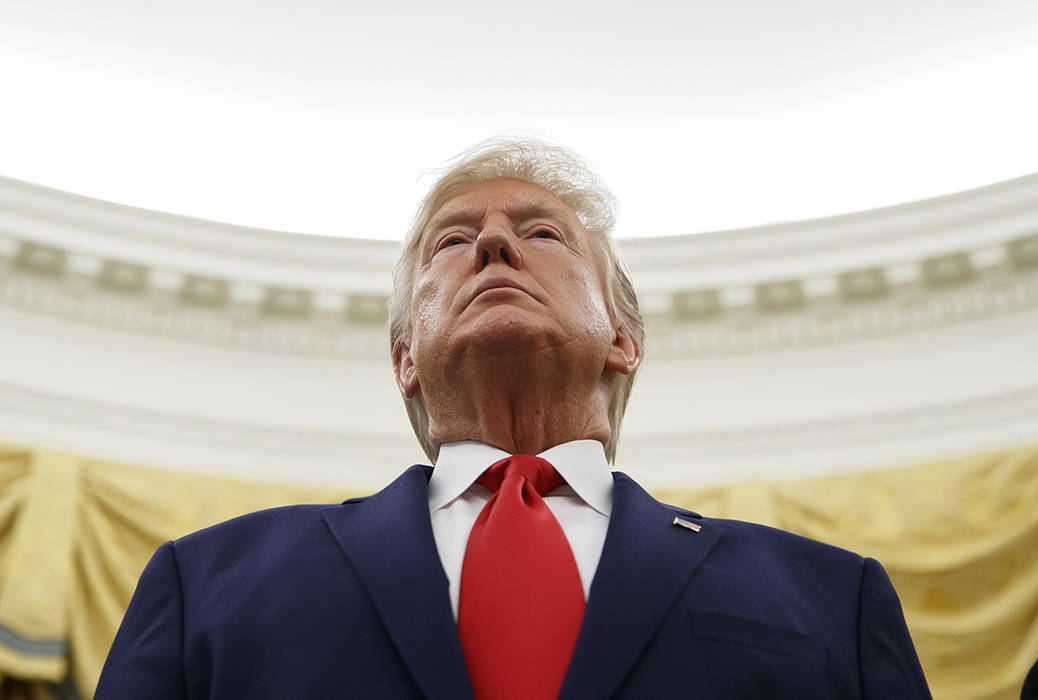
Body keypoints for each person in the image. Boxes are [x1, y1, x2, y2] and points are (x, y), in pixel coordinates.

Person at [96, 138, 932, 698]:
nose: (495, 243)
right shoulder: (204, 585)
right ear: (405, 359)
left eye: (541, 232)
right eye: (451, 242)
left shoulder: (831, 596)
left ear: (623, 340)